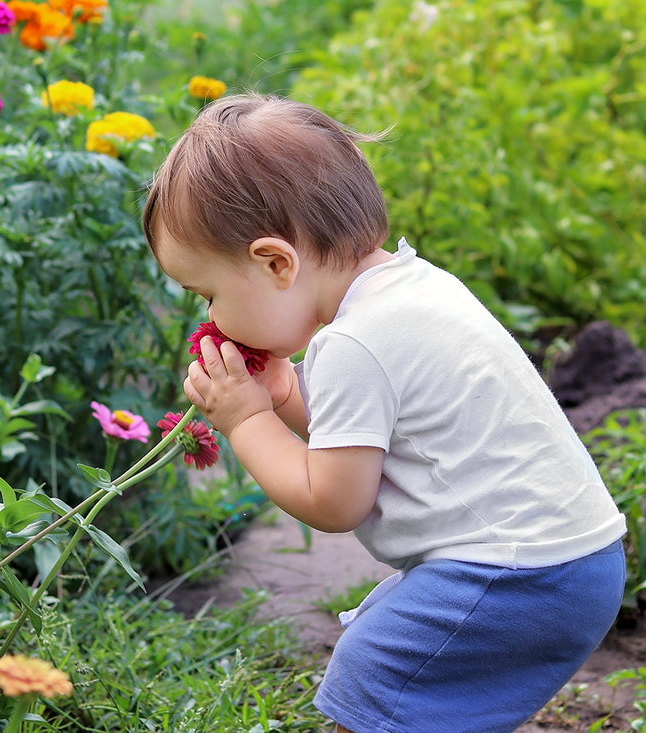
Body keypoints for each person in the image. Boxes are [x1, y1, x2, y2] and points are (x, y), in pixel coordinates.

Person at [142, 92, 627, 733]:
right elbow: (358, 436)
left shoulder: (352, 343)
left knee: (373, 681)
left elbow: (333, 501)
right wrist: (284, 395)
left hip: (517, 575)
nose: (210, 318)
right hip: (572, 563)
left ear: (275, 262)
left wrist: (244, 420)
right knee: (428, 697)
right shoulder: (410, 288)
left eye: (209, 295)